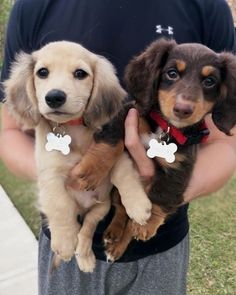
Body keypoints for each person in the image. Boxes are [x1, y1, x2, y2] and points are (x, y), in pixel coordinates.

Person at [0, 0, 236, 294]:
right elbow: (9, 131)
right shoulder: (34, 6)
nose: (184, 100)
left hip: (159, 245)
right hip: (67, 233)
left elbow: (225, 143)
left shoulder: (207, 7)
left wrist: (160, 196)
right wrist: (60, 177)